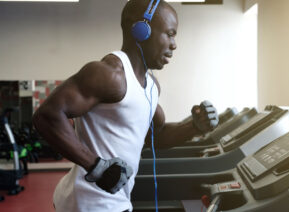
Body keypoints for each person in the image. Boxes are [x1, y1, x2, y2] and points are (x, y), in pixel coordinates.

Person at [32, 0, 219, 211]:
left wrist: (194, 127)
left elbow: (154, 136)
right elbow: (47, 116)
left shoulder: (151, 86)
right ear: (141, 30)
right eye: (170, 33)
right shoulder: (110, 74)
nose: (174, 44)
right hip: (89, 203)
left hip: (116, 200)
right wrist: (96, 166)